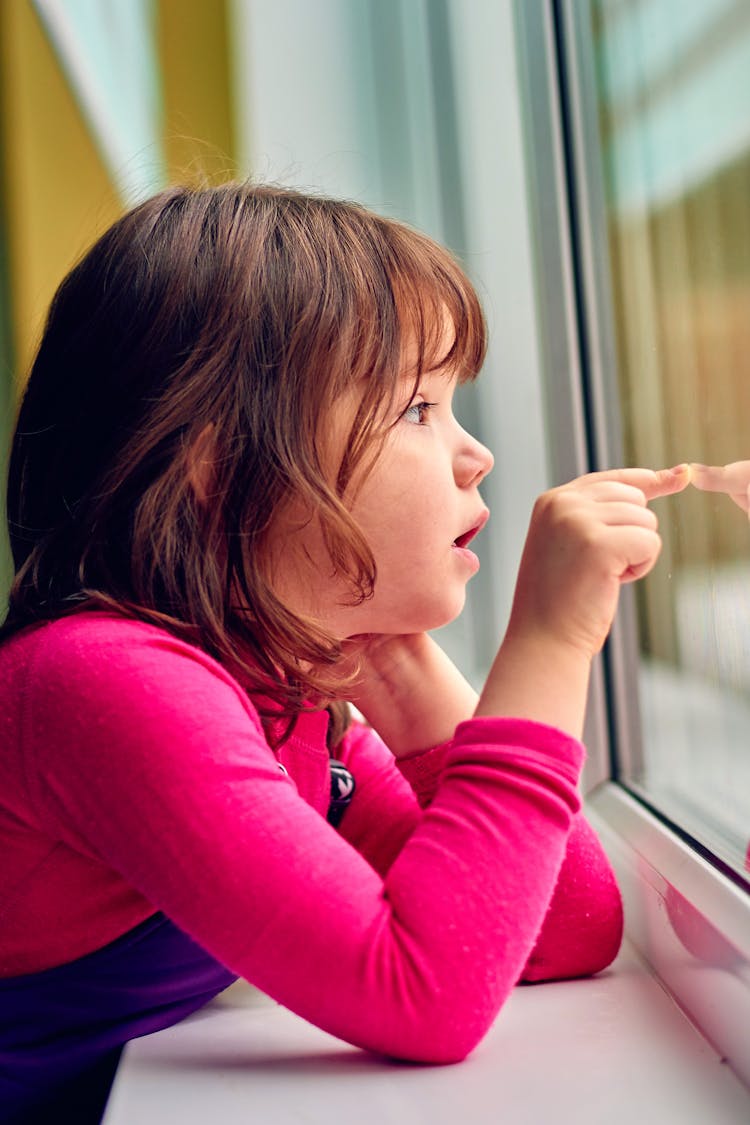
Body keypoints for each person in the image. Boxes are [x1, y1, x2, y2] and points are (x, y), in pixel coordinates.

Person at [0, 182, 689, 1122]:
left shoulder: (289, 703)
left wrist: (400, 665)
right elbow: (423, 994)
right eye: (418, 409)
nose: (474, 453)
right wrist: (552, 640)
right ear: (216, 468)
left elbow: (560, 931)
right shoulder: (104, 679)